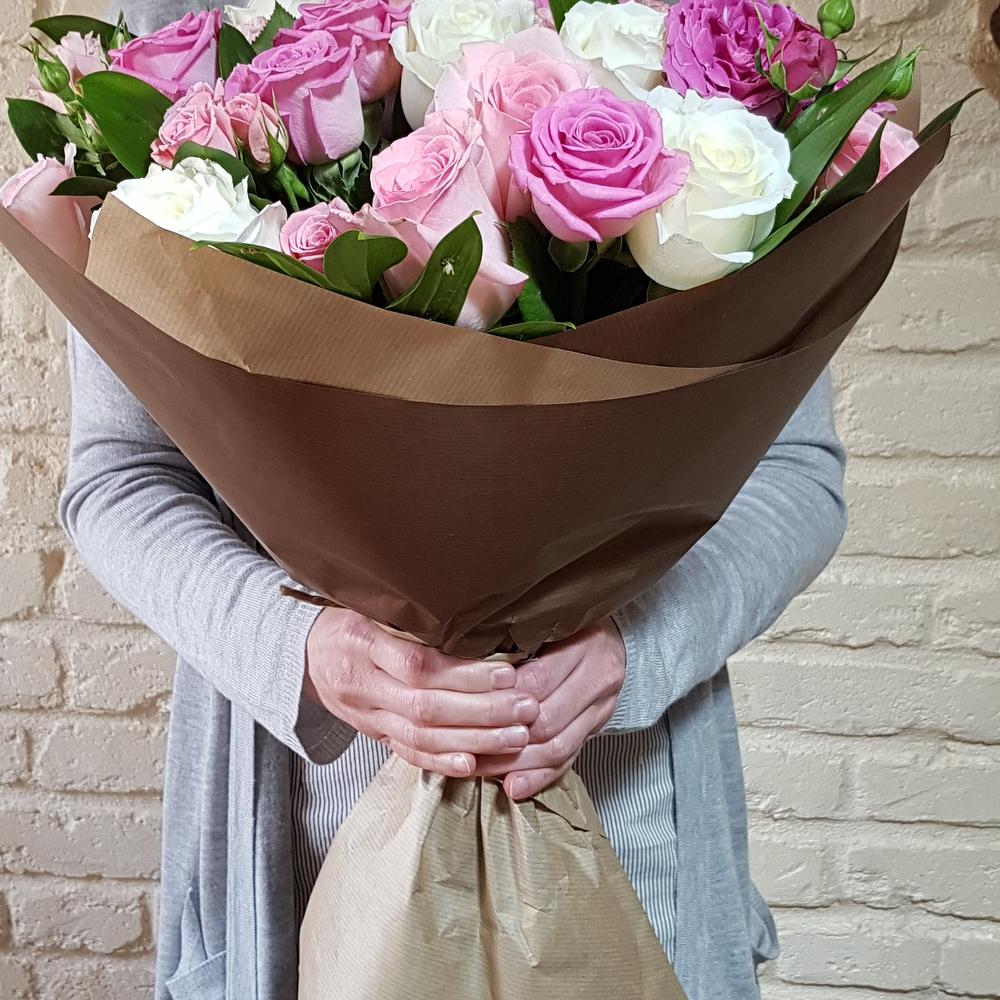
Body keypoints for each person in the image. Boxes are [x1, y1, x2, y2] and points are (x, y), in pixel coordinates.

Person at [65, 4, 848, 998]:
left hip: (632, 818)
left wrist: (634, 651)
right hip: (301, 827)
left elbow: (795, 469)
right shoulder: (177, 38)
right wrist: (301, 649)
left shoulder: (688, 40)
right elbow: (121, 475)